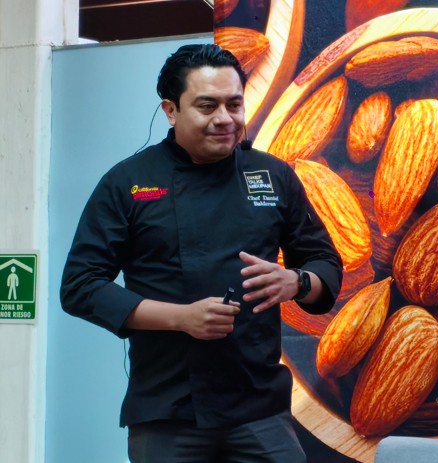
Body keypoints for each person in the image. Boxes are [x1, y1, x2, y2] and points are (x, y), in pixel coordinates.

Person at [60, 43, 342, 463]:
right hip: (167, 409)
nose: (225, 119)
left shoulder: (273, 175)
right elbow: (81, 286)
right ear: (171, 111)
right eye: (207, 106)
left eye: (234, 104)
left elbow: (325, 263)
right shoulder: (129, 182)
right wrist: (181, 318)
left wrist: (297, 282)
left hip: (258, 405)